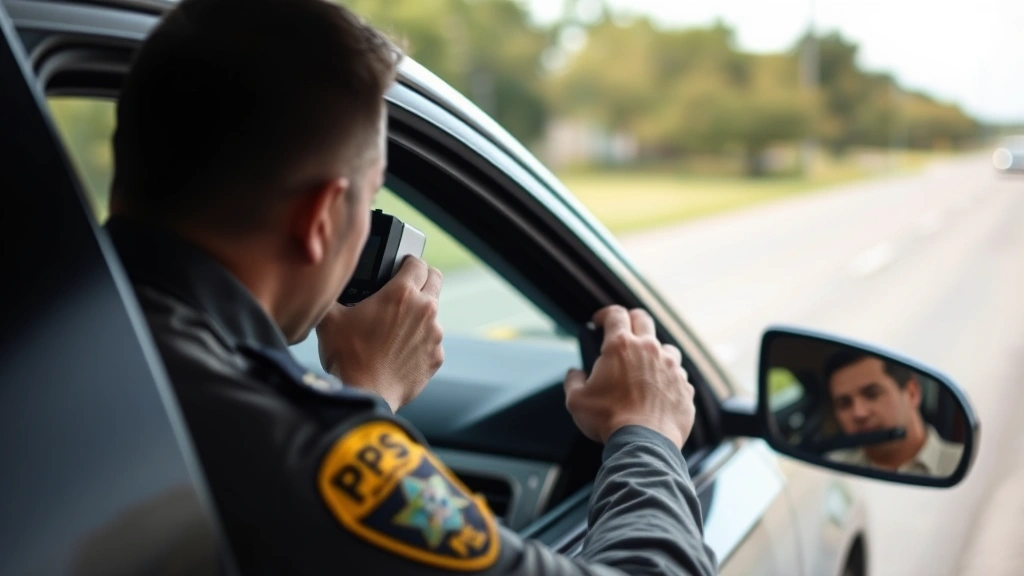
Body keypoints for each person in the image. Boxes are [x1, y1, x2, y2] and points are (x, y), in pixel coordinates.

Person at [102, 0, 719, 574]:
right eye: (369, 201)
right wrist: (648, 431)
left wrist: (364, 394)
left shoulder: (63, 324)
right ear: (320, 219)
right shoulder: (308, 449)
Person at [823, 350, 964, 477]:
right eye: (844, 403)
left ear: (912, 393)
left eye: (872, 394)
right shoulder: (830, 470)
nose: (859, 413)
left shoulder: (964, 466)